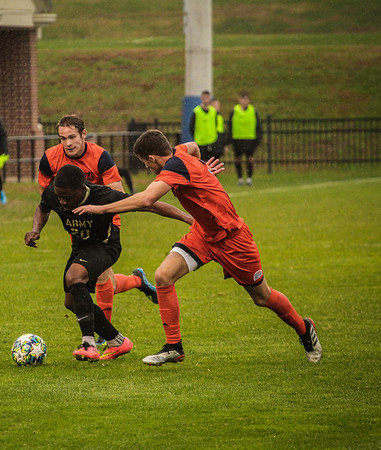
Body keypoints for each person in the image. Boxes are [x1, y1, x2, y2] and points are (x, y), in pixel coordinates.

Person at [73, 129, 322, 366]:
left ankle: (304, 328)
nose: (147, 168)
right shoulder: (179, 152)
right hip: (203, 233)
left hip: (233, 239)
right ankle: (174, 348)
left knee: (262, 297)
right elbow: (193, 147)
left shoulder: (173, 167)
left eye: (146, 163)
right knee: (163, 276)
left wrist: (101, 208)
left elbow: (147, 199)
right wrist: (203, 170)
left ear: (152, 157)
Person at [25, 164, 193, 361]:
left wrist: (188, 218)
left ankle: (88, 344)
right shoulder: (54, 192)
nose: (62, 202)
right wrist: (36, 229)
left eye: (68, 198)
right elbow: (43, 207)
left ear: (82, 187)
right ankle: (117, 341)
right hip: (80, 247)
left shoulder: (103, 195)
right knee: (72, 303)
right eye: (60, 196)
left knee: (74, 276)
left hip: (105, 246)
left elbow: (148, 204)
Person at [37, 114, 157, 332]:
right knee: (102, 281)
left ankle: (104, 334)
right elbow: (46, 195)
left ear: (84, 135)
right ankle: (137, 281)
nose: (68, 143)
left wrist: (93, 202)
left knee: (99, 275)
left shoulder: (100, 156)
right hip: (77, 225)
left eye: (72, 137)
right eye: (62, 138)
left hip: (106, 220)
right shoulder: (49, 158)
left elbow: (119, 194)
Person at [228, 92, 262, 186]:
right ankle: (239, 178)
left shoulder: (253, 111)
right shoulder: (234, 111)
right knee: (238, 159)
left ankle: (249, 178)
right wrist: (229, 139)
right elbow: (230, 126)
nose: (244, 101)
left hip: (250, 139)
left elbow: (258, 126)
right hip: (237, 139)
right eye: (243, 99)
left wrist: (258, 139)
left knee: (250, 159)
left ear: (249, 100)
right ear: (239, 100)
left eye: (246, 99)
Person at [189, 90, 225, 162]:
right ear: (201, 98)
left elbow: (216, 125)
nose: (205, 100)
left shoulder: (213, 111)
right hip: (200, 141)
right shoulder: (196, 111)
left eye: (207, 98)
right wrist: (196, 136)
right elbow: (191, 127)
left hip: (212, 140)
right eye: (204, 97)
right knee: (202, 161)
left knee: (211, 161)